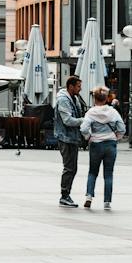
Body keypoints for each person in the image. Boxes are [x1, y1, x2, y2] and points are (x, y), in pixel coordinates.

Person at [81, 87, 126, 210]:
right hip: (110, 144)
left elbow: (84, 128)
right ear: (106, 98)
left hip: (96, 144)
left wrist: (88, 137)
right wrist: (117, 137)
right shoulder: (113, 112)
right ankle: (107, 201)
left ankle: (89, 196)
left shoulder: (91, 112)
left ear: (94, 98)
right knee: (108, 174)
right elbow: (122, 128)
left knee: (92, 172)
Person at [52, 75, 86, 207]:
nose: (80, 88)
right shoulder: (63, 100)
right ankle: (64, 195)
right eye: (78, 86)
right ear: (71, 86)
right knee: (69, 167)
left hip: (72, 138)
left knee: (73, 168)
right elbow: (67, 120)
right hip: (65, 138)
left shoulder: (75, 98)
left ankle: (66, 194)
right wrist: (85, 120)